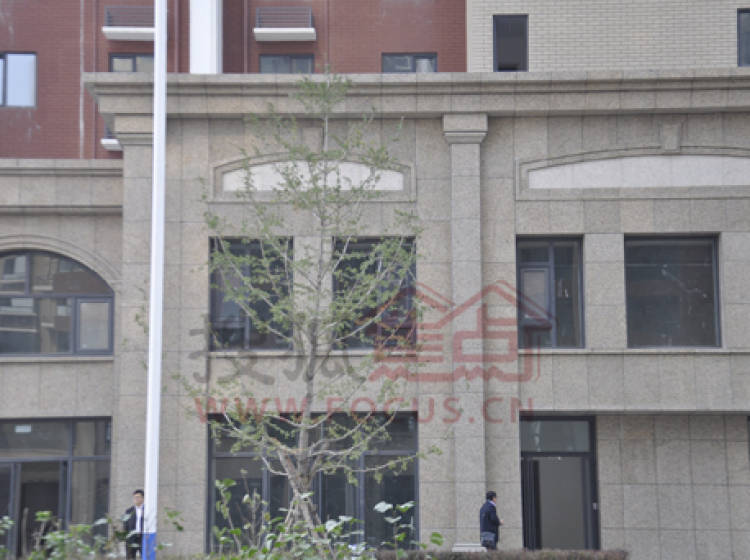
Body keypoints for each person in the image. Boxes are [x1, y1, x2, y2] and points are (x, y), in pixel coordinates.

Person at [123, 489, 144, 559]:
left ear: (143, 498)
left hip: (143, 538)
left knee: (145, 556)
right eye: (134, 497)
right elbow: (125, 525)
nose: (136, 499)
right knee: (130, 557)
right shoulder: (129, 511)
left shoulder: (147, 510)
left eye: (138, 497)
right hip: (131, 538)